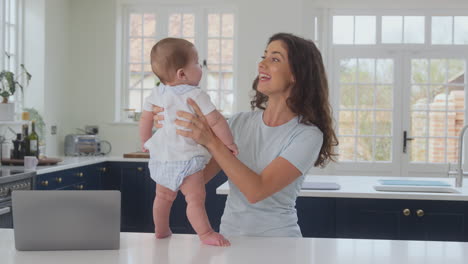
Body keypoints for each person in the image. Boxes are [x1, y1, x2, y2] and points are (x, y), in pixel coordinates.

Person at [151, 32, 338, 237]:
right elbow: (199, 177)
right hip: (230, 239)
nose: (262, 64)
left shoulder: (307, 135)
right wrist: (172, 132)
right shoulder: (239, 123)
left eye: (274, 59)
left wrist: (211, 141)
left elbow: (256, 191)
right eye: (263, 57)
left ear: (296, 74)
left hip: (280, 244)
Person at [139, 38, 238, 246]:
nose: (201, 68)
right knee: (195, 199)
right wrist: (228, 143)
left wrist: (146, 141)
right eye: (197, 63)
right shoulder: (196, 94)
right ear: (181, 74)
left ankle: (161, 230)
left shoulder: (157, 93)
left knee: (163, 198)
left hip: (163, 158)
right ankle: (205, 233)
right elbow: (216, 120)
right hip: (186, 158)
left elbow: (145, 118)